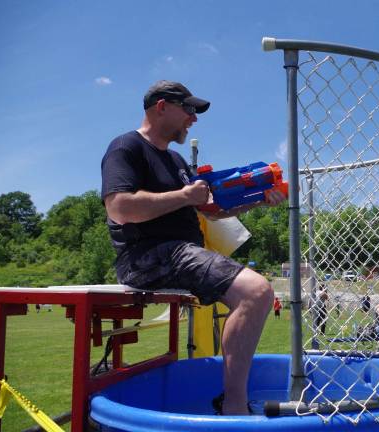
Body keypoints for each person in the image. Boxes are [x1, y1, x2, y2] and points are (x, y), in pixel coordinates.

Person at [101, 80, 285, 415]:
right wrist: (186, 195)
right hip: (147, 256)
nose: (193, 118)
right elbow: (119, 207)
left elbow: (210, 210)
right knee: (256, 292)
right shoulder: (125, 147)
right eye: (188, 109)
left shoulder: (175, 161)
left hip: (179, 253)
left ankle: (231, 399)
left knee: (254, 293)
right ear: (161, 107)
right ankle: (233, 404)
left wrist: (259, 201)